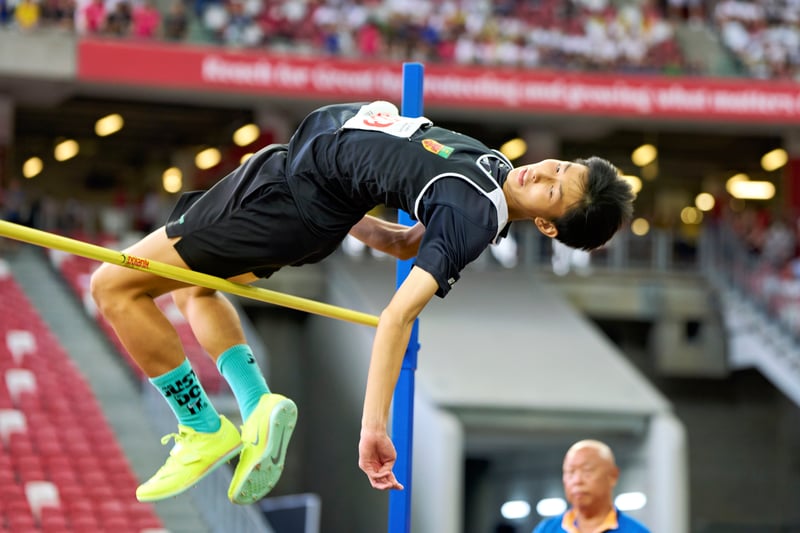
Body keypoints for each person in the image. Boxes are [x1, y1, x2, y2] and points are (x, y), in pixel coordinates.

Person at [90, 101, 634, 505]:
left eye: (552, 191)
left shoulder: (471, 220)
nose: (542, 173)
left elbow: (397, 315)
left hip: (284, 199)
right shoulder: (492, 165)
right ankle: (256, 407)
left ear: (544, 223)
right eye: (560, 167)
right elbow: (398, 240)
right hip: (300, 196)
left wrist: (373, 426)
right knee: (193, 286)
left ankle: (201, 426)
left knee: (114, 286)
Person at [533, 440, 650, 533]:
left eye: (587, 471)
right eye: (570, 472)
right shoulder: (546, 530)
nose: (577, 480)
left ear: (613, 476)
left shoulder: (636, 531)